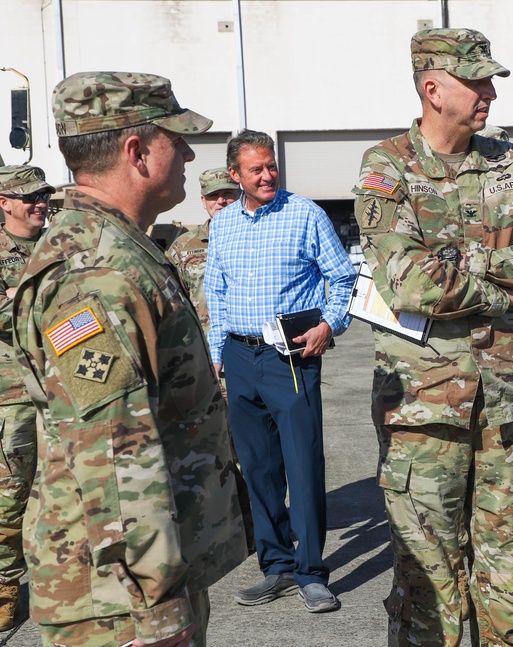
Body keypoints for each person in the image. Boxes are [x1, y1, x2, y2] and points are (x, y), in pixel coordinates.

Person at [11, 71, 249, 647]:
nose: (191, 152)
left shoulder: (120, 247)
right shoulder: (98, 272)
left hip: (134, 580)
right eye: (177, 138)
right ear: (136, 152)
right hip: (117, 602)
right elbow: (114, 448)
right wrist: (156, 608)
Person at [353, 28, 513, 646]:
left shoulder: (510, 162)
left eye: (491, 81)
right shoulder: (386, 165)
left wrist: (457, 261)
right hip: (423, 406)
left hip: (505, 401)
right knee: (429, 582)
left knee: (509, 575)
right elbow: (410, 285)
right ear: (432, 89)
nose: (490, 93)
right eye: (476, 82)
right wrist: (503, 271)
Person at [205, 129, 356, 614]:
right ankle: (277, 566)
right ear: (236, 175)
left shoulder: (305, 214)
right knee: (258, 468)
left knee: (302, 463)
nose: (268, 175)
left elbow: (343, 277)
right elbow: (217, 291)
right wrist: (216, 353)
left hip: (291, 357)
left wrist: (330, 325)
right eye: (256, 169)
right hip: (239, 356)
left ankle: (311, 571)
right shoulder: (223, 223)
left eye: (271, 166)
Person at [0, 164, 53, 631]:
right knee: (9, 495)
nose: (40, 203)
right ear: (5, 202)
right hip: (14, 393)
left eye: (44, 195)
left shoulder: (57, 248)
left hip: (65, 389)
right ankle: (4, 587)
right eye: (30, 196)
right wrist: (29, 297)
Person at [167, 168, 241, 334]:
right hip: (205, 345)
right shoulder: (183, 247)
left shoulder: (260, 239)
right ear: (203, 201)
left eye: (228, 193)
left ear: (240, 196)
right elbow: (173, 304)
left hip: (251, 346)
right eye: (213, 196)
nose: (220, 201)